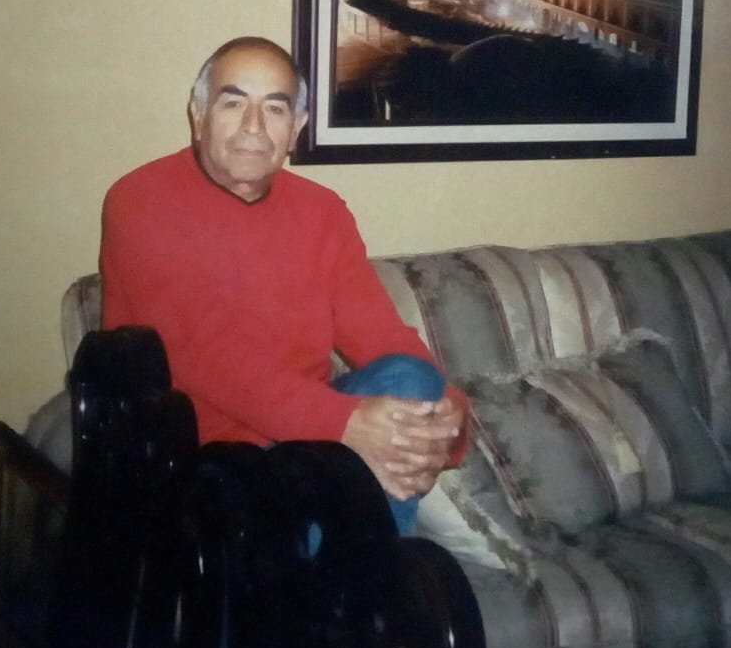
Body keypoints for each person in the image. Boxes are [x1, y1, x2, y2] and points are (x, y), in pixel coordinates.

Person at [99, 35, 468, 529]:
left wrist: (447, 413)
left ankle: (351, 561)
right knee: (311, 494)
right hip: (196, 462)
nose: (253, 126)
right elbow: (205, 356)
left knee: (412, 380)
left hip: (304, 444)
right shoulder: (140, 200)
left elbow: (379, 332)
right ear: (199, 113)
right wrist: (345, 424)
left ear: (295, 128)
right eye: (233, 103)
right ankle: (352, 565)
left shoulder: (322, 212)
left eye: (275, 109)